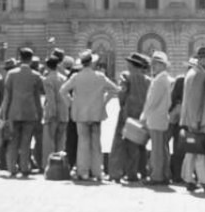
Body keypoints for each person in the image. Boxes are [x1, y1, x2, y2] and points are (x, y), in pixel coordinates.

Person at [60, 51, 119, 181]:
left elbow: (63, 91)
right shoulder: (100, 76)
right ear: (92, 63)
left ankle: (83, 172)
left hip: (80, 113)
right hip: (96, 113)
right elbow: (115, 89)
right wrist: (104, 101)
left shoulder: (76, 77)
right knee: (96, 144)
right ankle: (97, 171)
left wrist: (71, 103)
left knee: (83, 143)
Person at [0, 48, 45, 178]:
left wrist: (5, 114)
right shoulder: (36, 75)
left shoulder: (11, 74)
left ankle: (12, 167)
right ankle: (24, 167)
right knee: (26, 142)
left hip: (14, 112)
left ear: (19, 58)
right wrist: (39, 113)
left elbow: (7, 96)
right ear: (31, 59)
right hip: (30, 112)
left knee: (13, 141)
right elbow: (37, 96)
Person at [109, 53, 151, 183]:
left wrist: (123, 105)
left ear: (132, 65)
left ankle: (116, 173)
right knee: (140, 144)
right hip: (142, 114)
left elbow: (121, 94)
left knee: (120, 144)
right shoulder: (148, 80)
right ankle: (141, 171)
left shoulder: (126, 76)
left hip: (127, 114)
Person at [180, 49, 205, 193]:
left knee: (192, 150)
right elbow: (194, 100)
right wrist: (195, 120)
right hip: (198, 119)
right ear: (200, 59)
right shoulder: (199, 74)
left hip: (193, 118)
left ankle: (189, 179)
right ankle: (203, 181)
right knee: (199, 150)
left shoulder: (193, 72)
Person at [140, 51, 172, 185]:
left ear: (162, 65)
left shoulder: (160, 80)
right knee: (162, 148)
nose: (153, 66)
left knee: (157, 150)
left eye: (156, 64)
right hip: (161, 117)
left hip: (156, 117)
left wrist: (144, 115)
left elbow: (152, 100)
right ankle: (164, 174)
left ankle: (156, 176)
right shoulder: (164, 78)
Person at [41, 55, 69, 164]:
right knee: (61, 141)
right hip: (64, 111)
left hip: (53, 112)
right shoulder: (64, 78)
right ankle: (61, 164)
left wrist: (51, 113)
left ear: (47, 66)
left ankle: (48, 164)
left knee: (49, 141)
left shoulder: (47, 80)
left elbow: (51, 98)